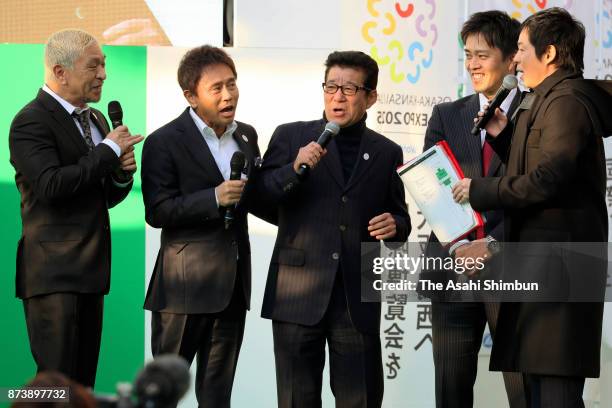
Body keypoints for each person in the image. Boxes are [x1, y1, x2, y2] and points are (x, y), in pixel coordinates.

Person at [454, 7, 612, 408]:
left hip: (559, 276)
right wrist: (504, 137)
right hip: (541, 270)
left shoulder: (568, 101)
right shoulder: (544, 98)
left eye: (522, 50)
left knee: (555, 394)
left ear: (550, 54)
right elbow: (541, 166)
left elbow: (548, 180)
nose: (516, 59)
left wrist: (479, 190)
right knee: (540, 392)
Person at [258, 50, 411, 408]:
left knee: (361, 398)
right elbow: (259, 197)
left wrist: (396, 225)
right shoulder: (291, 135)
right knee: (297, 400)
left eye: (349, 88)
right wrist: (293, 168)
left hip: (354, 297)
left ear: (370, 96)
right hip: (297, 294)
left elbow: (399, 216)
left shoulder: (387, 152)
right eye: (331, 86)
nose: (337, 97)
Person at [8, 29, 142, 388]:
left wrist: (120, 175)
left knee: (82, 389)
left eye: (105, 65)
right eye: (94, 65)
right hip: (53, 275)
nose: (103, 74)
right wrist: (107, 153)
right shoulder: (30, 121)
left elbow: (97, 197)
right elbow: (51, 186)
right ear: (60, 71)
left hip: (91, 270)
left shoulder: (96, 120)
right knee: (54, 387)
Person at [141, 45, 265, 407]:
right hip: (182, 290)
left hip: (232, 288)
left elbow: (256, 198)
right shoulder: (164, 142)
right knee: (161, 394)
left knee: (217, 397)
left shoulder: (247, 136)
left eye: (232, 84)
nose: (228, 95)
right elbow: (158, 211)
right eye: (216, 88)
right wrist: (213, 198)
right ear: (190, 96)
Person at [422, 10, 525, 408]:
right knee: (450, 386)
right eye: (468, 55)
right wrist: (459, 247)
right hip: (453, 262)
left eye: (482, 55)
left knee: (523, 387)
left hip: (513, 263)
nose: (473, 64)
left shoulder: (534, 113)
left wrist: (494, 243)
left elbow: (534, 190)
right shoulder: (448, 115)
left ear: (511, 57)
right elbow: (432, 188)